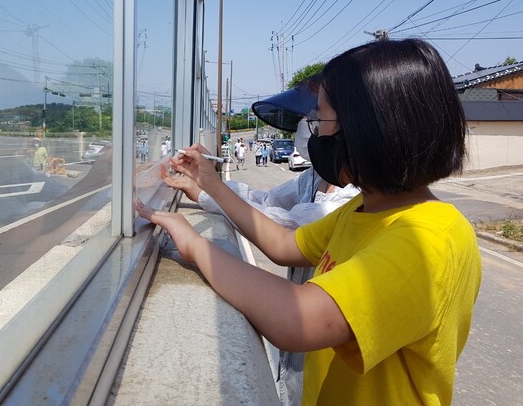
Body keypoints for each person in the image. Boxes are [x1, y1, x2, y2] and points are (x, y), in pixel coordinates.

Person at [137, 38, 481, 406]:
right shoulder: (365, 209)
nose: (314, 131)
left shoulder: (427, 239)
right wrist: (210, 186)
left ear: (368, 128)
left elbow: (293, 318)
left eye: (320, 118)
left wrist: (196, 246)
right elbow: (284, 246)